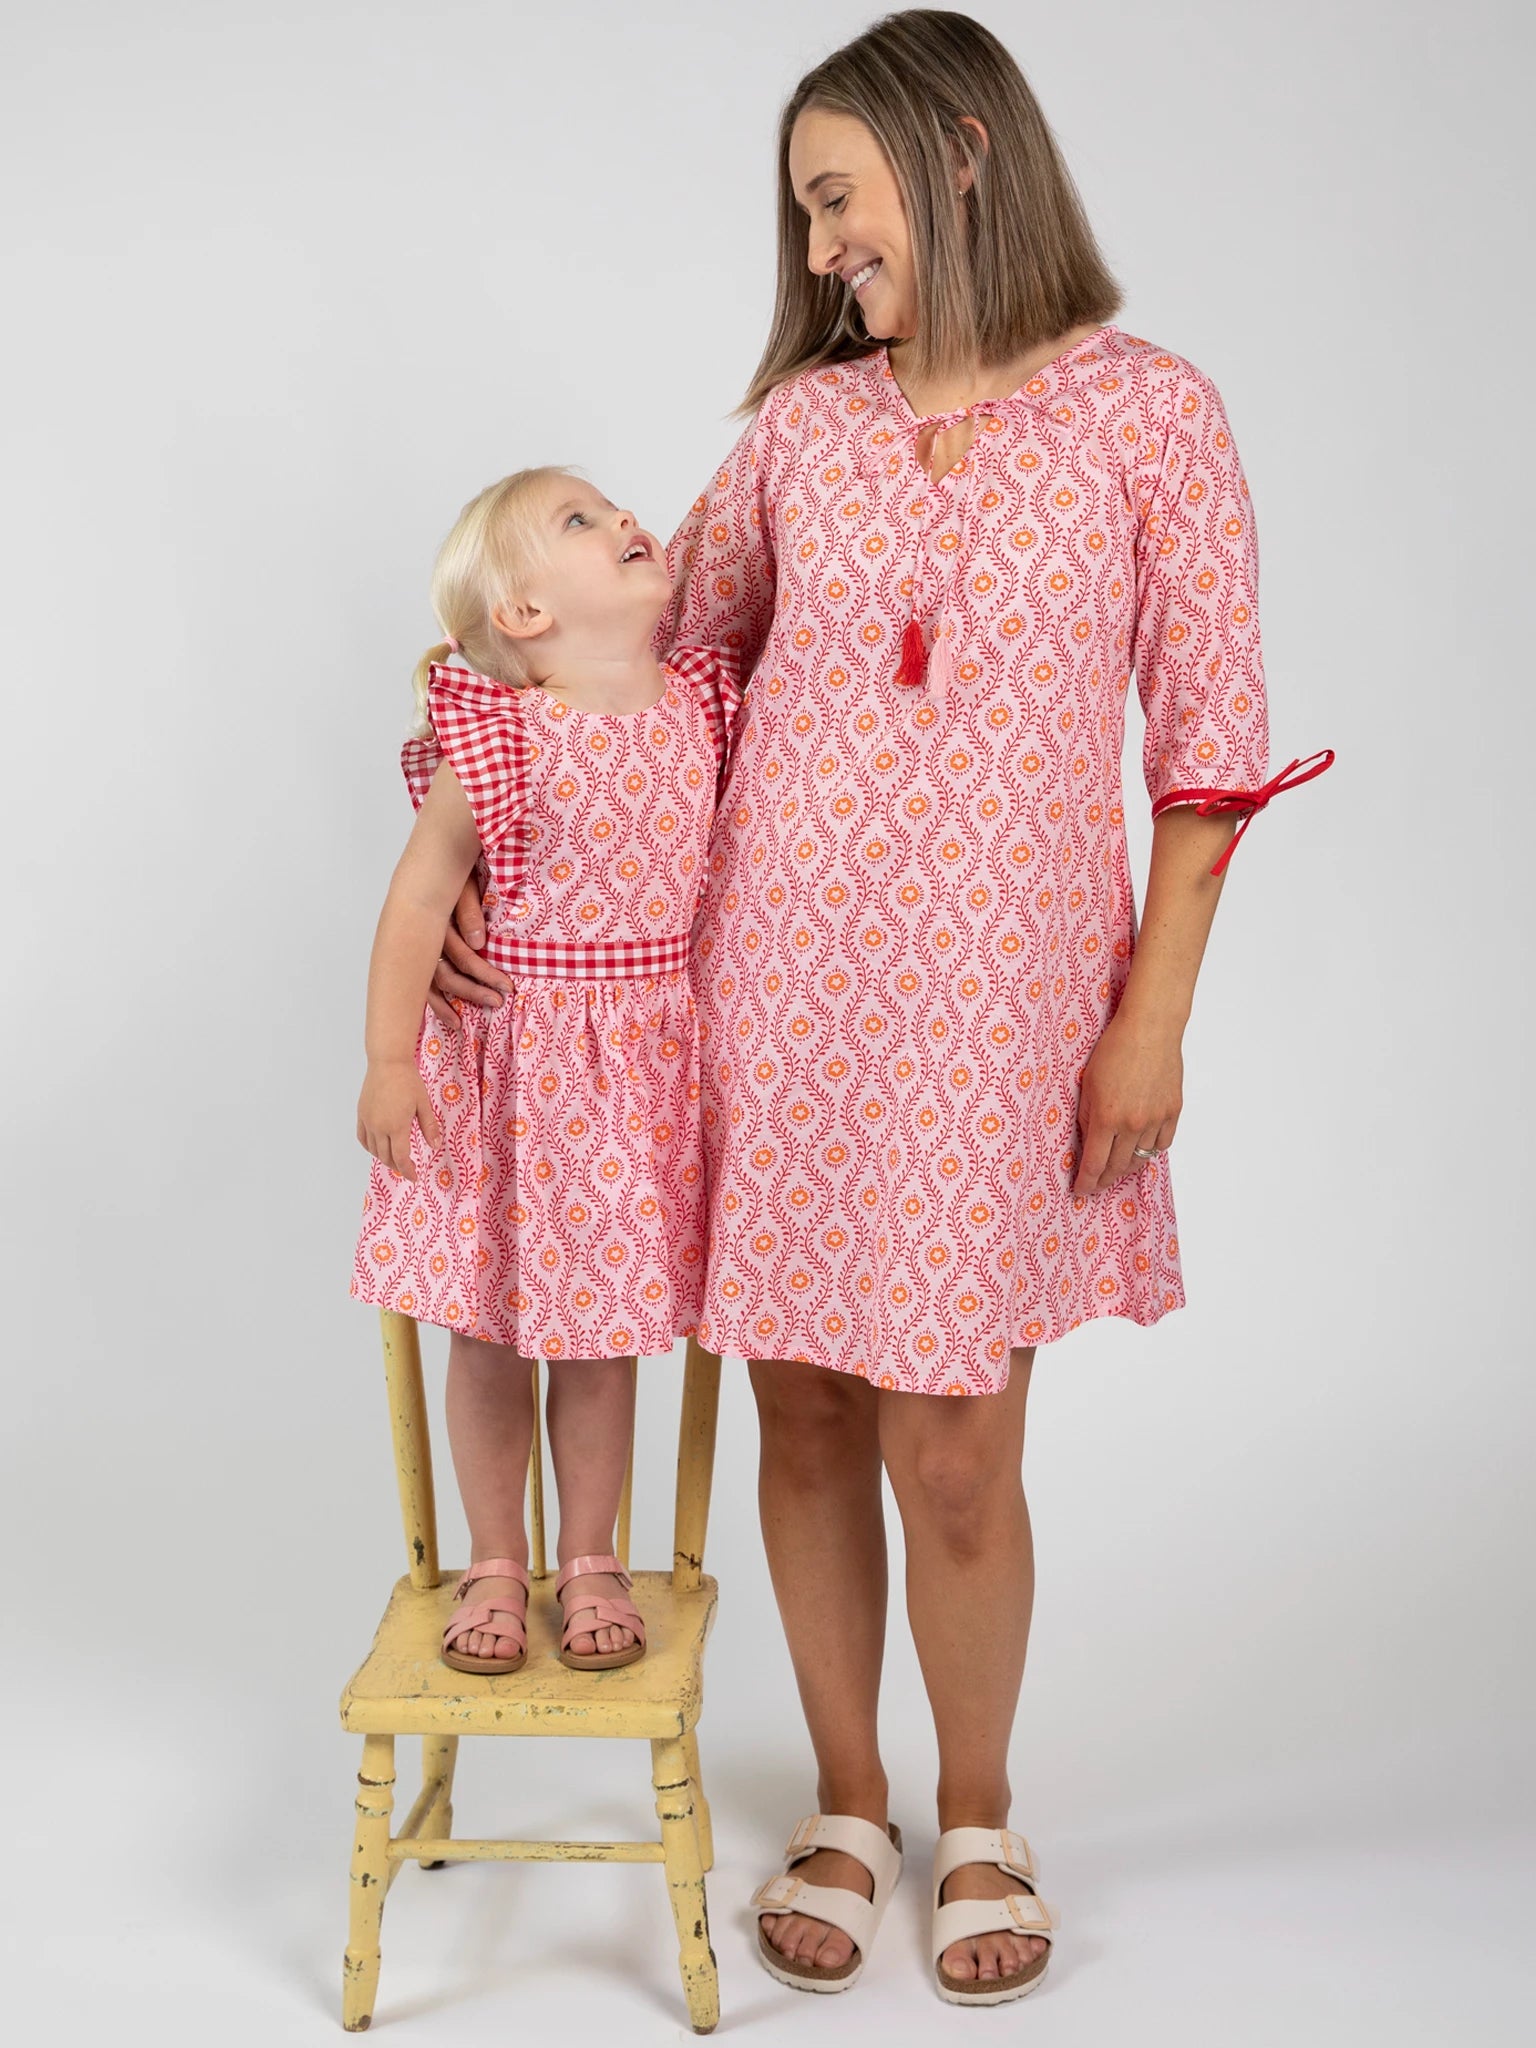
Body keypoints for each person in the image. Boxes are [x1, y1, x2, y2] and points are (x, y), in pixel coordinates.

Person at [430, 8, 1330, 2007]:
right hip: (770, 990)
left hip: (1002, 1015)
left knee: (958, 1441)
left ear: (962, 156)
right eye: (808, 214)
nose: (824, 245)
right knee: (812, 1409)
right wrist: (475, 857)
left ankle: (980, 1808)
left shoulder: (1152, 415)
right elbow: (628, 653)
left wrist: (1156, 1017)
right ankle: (848, 1799)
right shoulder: (803, 431)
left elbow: (1209, 750)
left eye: (841, 199)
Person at [353, 466, 742, 1678]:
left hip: (633, 1078)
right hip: (510, 1069)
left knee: (598, 1336)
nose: (624, 518)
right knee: (486, 1330)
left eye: (612, 506)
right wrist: (387, 1056)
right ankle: (492, 1558)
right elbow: (420, 894)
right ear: (524, 612)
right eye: (580, 520)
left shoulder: (702, 705)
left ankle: (587, 1555)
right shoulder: (505, 735)